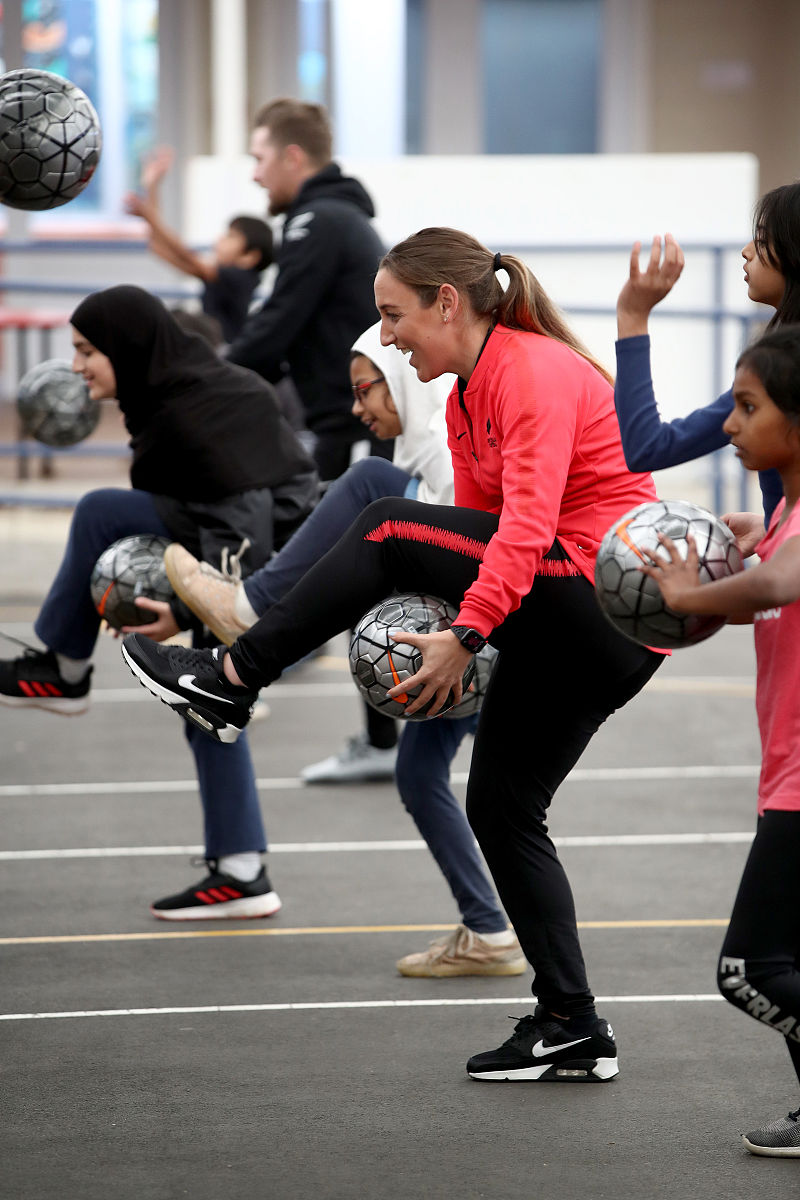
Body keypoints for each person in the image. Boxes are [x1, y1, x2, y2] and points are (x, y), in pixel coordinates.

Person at [122, 226, 668, 1080]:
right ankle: (572, 1022)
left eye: (392, 315)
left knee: (384, 522)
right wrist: (455, 633)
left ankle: (231, 678)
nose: (384, 336)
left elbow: (520, 535)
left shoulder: (532, 371)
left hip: (605, 596)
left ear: (447, 302)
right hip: (576, 621)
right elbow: (481, 540)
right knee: (501, 807)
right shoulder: (462, 402)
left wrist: (466, 635)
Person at [163, 319, 525, 976]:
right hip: (470, 646)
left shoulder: (442, 458)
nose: (358, 408)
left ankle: (246, 608)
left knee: (365, 485)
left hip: (483, 642)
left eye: (367, 391)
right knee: (420, 778)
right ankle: (490, 933)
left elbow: (468, 560)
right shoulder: (431, 458)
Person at [0, 285, 318, 921]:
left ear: (127, 347)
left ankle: (64, 672)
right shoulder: (165, 397)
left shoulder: (204, 410)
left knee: (206, 700)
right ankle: (241, 871)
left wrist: (188, 610)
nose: (77, 366)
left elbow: (246, 538)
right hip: (216, 536)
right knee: (203, 709)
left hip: (266, 561)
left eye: (89, 350)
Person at [638, 326, 800, 1156]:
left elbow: (776, 583)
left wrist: (689, 595)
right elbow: (759, 588)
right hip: (786, 779)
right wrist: (691, 583)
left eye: (748, 406)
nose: (730, 425)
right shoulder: (784, 521)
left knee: (751, 970)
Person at [613, 181, 800, 524]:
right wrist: (772, 526)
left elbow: (647, 447)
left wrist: (632, 317)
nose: (746, 251)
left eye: (761, 240)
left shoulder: (783, 367)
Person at [225, 98, 389, 482]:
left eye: (259, 159)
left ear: (292, 158)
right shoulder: (333, 216)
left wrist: (212, 376)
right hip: (342, 419)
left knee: (335, 539)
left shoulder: (317, 221)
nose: (256, 175)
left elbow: (279, 319)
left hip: (353, 423)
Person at [125, 147, 274, 344]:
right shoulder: (216, 276)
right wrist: (152, 186)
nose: (220, 239)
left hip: (224, 355)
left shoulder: (241, 277)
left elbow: (186, 255)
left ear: (250, 257)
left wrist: (150, 216)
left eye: (231, 236)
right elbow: (158, 246)